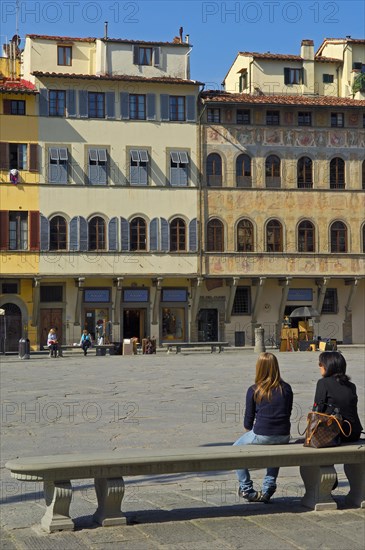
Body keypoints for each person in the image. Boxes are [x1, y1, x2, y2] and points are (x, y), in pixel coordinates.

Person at [233, 352, 293, 503]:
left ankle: (246, 488)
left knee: (235, 450)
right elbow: (288, 412)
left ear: (259, 368)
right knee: (276, 449)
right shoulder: (286, 389)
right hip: (284, 434)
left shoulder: (254, 390)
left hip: (262, 433)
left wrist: (252, 431)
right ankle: (268, 487)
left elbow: (248, 421)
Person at [314, 351, 363, 442]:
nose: (319, 366)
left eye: (320, 364)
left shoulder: (323, 383)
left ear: (328, 366)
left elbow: (317, 410)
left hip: (334, 433)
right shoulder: (351, 386)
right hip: (353, 432)